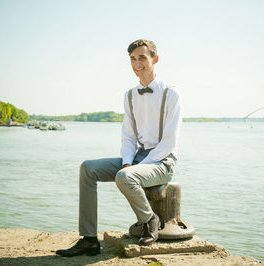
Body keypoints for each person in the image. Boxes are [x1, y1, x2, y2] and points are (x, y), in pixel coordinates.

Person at [56, 39, 182, 257]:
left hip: (162, 161)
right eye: (133, 59)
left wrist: (133, 168)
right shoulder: (130, 95)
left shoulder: (171, 94)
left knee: (125, 177)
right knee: (87, 168)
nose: (137, 63)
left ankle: (149, 219)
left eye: (142, 57)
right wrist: (127, 162)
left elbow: (169, 142)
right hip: (136, 159)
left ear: (155, 59)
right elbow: (129, 136)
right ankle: (88, 240)